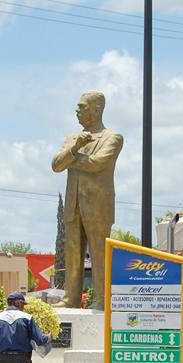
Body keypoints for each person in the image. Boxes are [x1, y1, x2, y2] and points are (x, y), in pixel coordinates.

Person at [51, 91, 124, 309]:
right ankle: (70, 298)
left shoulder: (112, 138)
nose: (77, 111)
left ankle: (101, 299)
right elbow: (56, 165)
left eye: (82, 107)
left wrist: (71, 158)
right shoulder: (72, 139)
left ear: (97, 109)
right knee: (73, 254)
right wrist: (74, 149)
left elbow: (97, 163)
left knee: (100, 255)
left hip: (98, 206)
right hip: (73, 204)